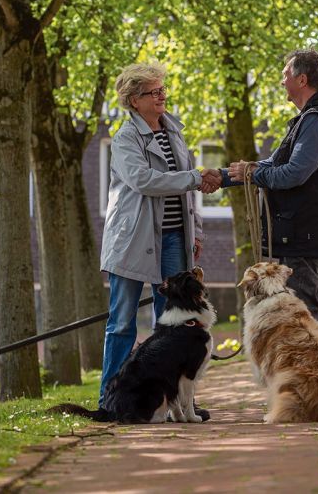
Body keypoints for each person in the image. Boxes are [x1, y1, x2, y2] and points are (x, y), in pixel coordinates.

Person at [99, 62, 221, 416]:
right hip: (132, 240)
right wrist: (195, 177)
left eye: (163, 89)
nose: (161, 96)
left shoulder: (174, 132)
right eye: (154, 91)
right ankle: (110, 401)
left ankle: (177, 402)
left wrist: (194, 230)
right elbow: (145, 181)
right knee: (122, 322)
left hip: (173, 238)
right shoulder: (125, 139)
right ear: (134, 100)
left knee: (175, 322)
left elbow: (188, 192)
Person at [219, 49, 318, 342]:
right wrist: (224, 176)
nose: (281, 81)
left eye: (285, 74)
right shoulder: (310, 119)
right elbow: (271, 165)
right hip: (310, 234)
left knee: (306, 314)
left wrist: (251, 174)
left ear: (301, 79)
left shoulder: (316, 121)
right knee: (312, 311)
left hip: (307, 235)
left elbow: (294, 173)